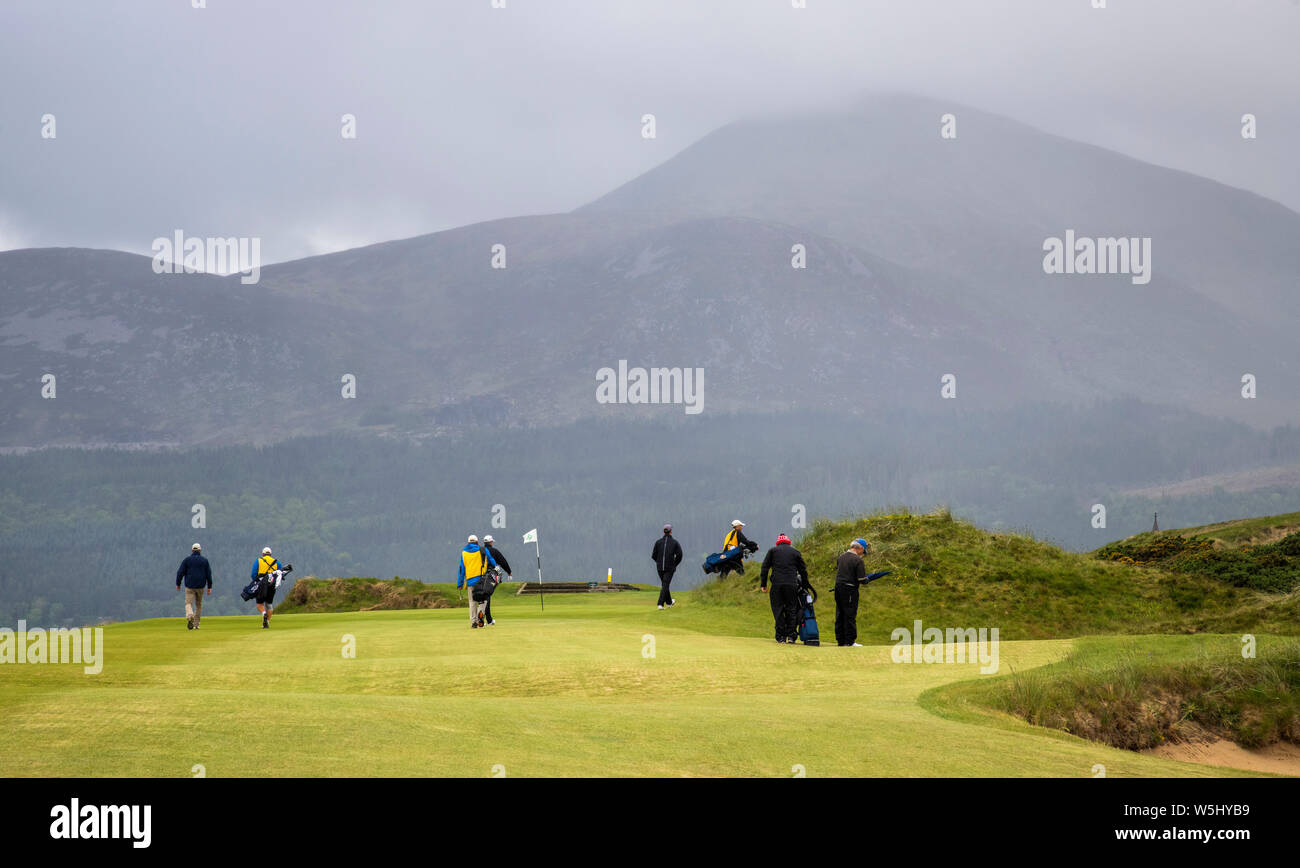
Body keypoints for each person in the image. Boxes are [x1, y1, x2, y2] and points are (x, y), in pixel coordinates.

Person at [759, 533, 808, 644]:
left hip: (777, 584)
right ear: (788, 542)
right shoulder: (795, 552)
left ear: (778, 542)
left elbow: (765, 568)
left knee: (778, 609)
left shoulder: (772, 551)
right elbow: (803, 570)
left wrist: (763, 584)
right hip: (791, 584)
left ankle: (780, 636)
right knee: (792, 609)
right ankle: (791, 636)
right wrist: (805, 585)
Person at [834, 538, 870, 647]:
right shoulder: (858, 560)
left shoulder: (841, 557)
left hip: (838, 588)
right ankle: (850, 641)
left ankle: (841, 640)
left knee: (840, 614)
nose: (862, 554)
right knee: (849, 615)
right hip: (850, 590)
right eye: (863, 552)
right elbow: (861, 579)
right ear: (861, 548)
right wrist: (868, 579)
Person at [457, 534, 497, 628]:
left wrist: (460, 583)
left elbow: (461, 569)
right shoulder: (483, 550)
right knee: (483, 599)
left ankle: (474, 621)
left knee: (472, 601)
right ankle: (481, 615)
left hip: (470, 581)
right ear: (477, 542)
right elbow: (492, 562)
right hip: (481, 580)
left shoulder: (464, 553)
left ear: (468, 542)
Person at [175, 542, 212, 630]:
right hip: (200, 586)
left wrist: (178, 583)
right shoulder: (204, 560)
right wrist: (209, 586)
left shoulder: (187, 560)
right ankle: (196, 624)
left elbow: (180, 572)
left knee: (188, 603)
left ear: (192, 550)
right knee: (198, 605)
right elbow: (208, 574)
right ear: (200, 550)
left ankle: (190, 615)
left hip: (190, 586)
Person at [482, 534, 512, 625]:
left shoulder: (480, 551)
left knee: (483, 596)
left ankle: (485, 618)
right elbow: (503, 562)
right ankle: (488, 619)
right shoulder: (494, 551)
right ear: (491, 542)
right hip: (492, 576)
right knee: (487, 596)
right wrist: (509, 572)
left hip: (481, 575)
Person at [251, 546, 284, 629]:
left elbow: (253, 574)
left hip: (261, 584)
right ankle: (267, 622)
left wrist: (256, 582)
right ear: (271, 554)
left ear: (263, 554)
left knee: (259, 604)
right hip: (272, 585)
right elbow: (281, 574)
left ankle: (263, 613)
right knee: (269, 604)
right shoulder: (277, 563)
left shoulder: (258, 561)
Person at [651, 523, 683, 608]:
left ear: (664, 532)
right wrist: (674, 564)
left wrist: (659, 563)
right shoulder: (675, 543)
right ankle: (660, 604)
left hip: (660, 568)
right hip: (669, 568)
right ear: (671, 531)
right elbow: (680, 555)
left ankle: (669, 603)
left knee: (665, 585)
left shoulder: (658, 542)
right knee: (665, 585)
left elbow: (654, 555)